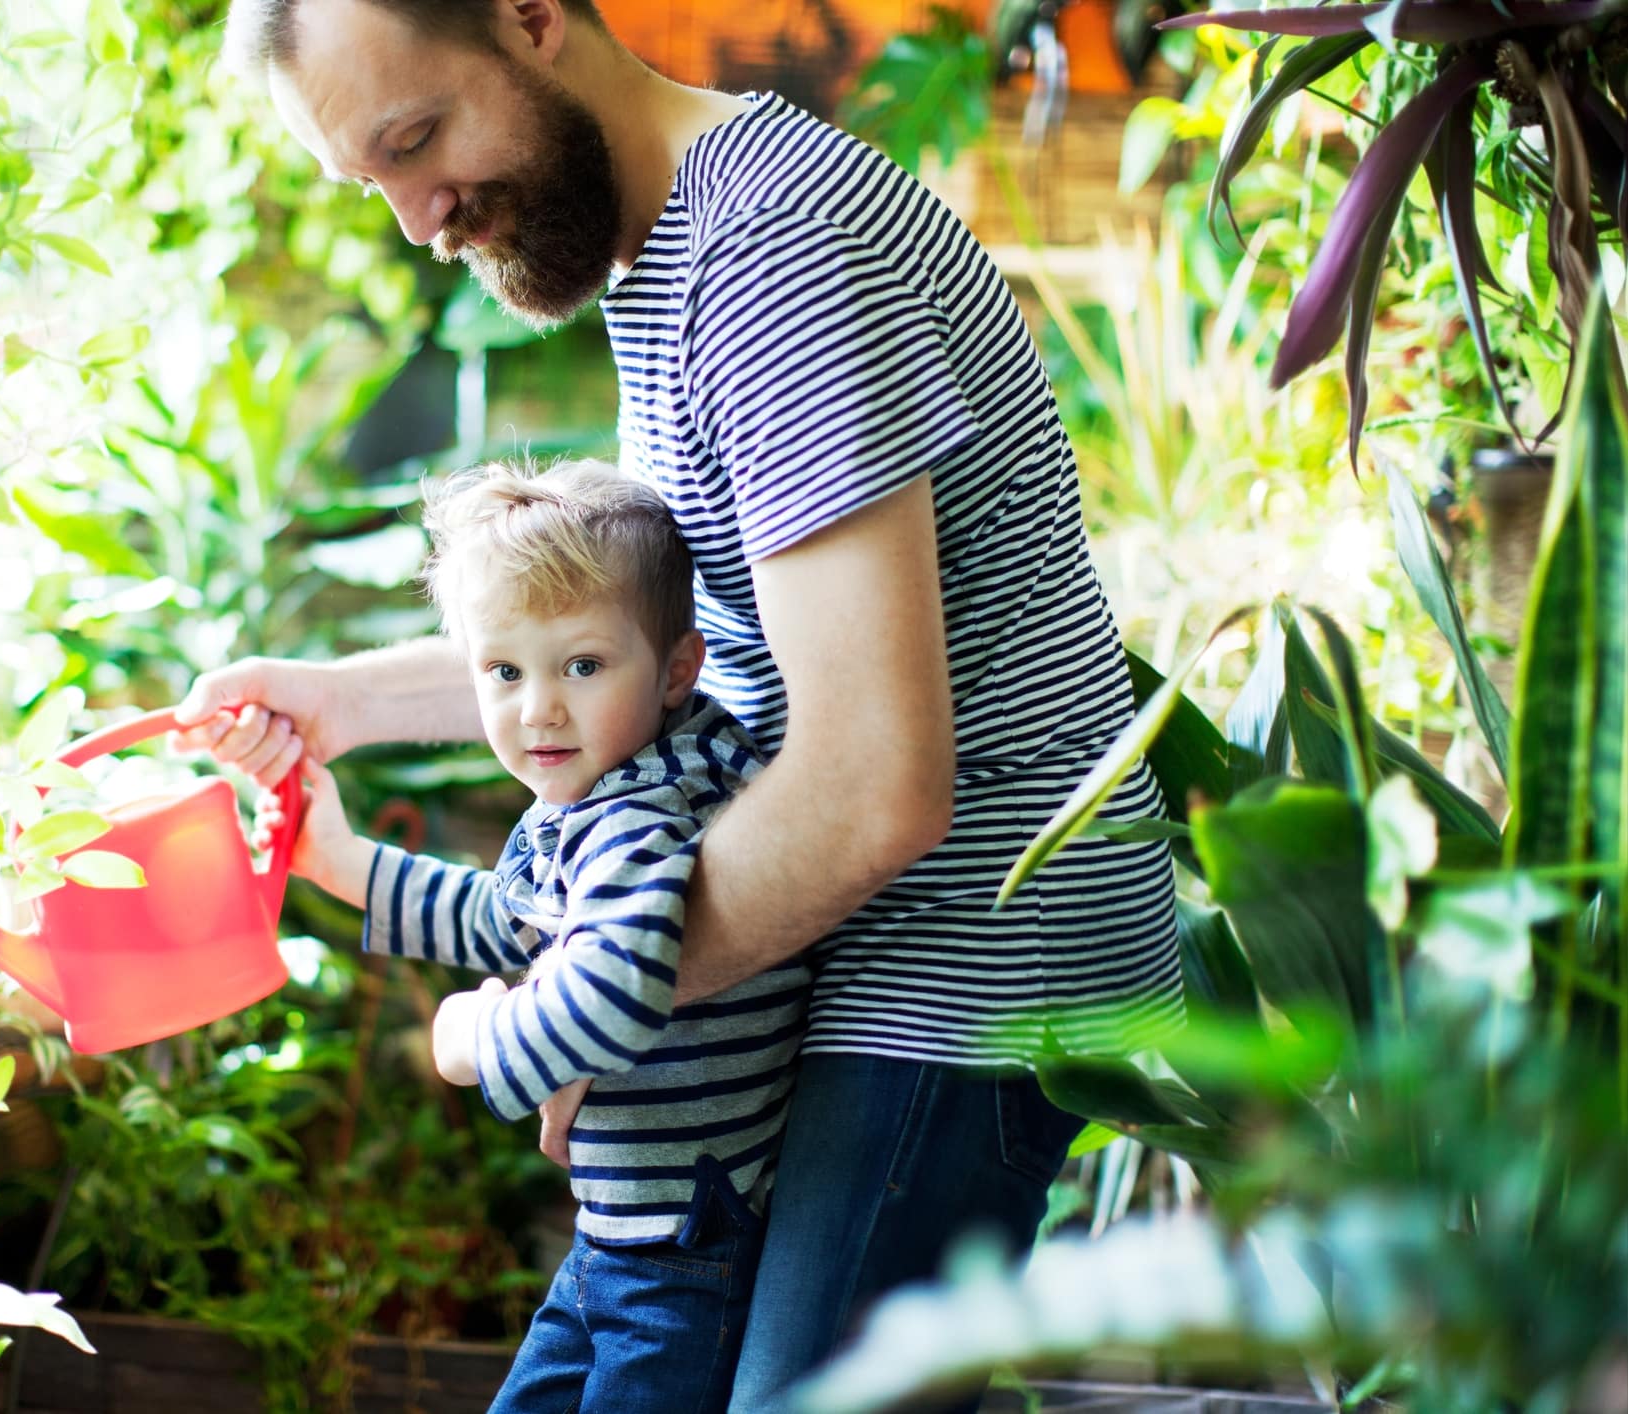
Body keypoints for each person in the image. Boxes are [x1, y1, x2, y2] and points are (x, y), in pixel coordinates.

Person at [185, 2, 1184, 1408]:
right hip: (849, 934)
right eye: (377, 181)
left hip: (966, 948)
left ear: (534, 19)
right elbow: (668, 641)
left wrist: (595, 1004)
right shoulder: (672, 243)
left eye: (419, 141)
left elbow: (875, 784)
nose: (420, 220)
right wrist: (338, 702)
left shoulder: (765, 258)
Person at [262, 459, 808, 1412]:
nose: (537, 708)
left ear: (678, 667)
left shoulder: (641, 818)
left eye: (582, 666)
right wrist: (340, 862)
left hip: (682, 1250)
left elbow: (614, 991)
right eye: (502, 671)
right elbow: (509, 918)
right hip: (624, 1236)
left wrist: (476, 1042)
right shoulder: (601, 795)